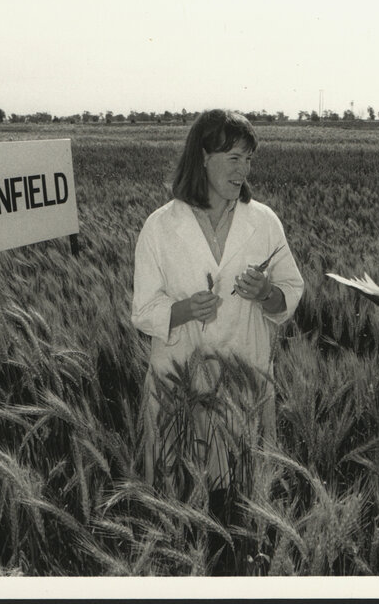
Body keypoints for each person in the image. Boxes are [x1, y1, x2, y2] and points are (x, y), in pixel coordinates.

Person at [132, 109, 304, 492]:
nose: (243, 170)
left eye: (248, 159)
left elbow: (291, 292)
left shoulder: (264, 222)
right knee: (176, 490)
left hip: (244, 381)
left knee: (240, 489)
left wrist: (266, 294)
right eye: (233, 158)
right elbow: (142, 311)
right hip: (178, 382)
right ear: (203, 157)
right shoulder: (159, 226)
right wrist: (183, 311)